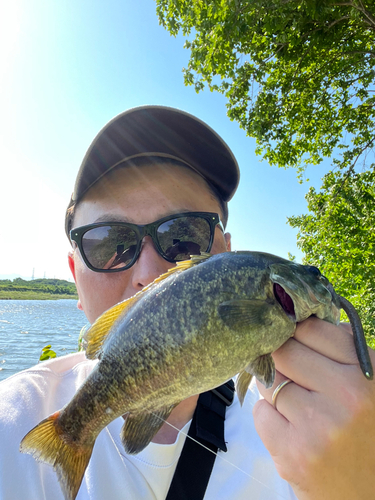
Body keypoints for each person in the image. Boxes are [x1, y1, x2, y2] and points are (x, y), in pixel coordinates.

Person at [0, 105, 374, 500]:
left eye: (185, 236)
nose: (151, 273)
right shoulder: (11, 421)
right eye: (109, 243)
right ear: (76, 276)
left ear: (227, 253)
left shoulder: (339, 427)